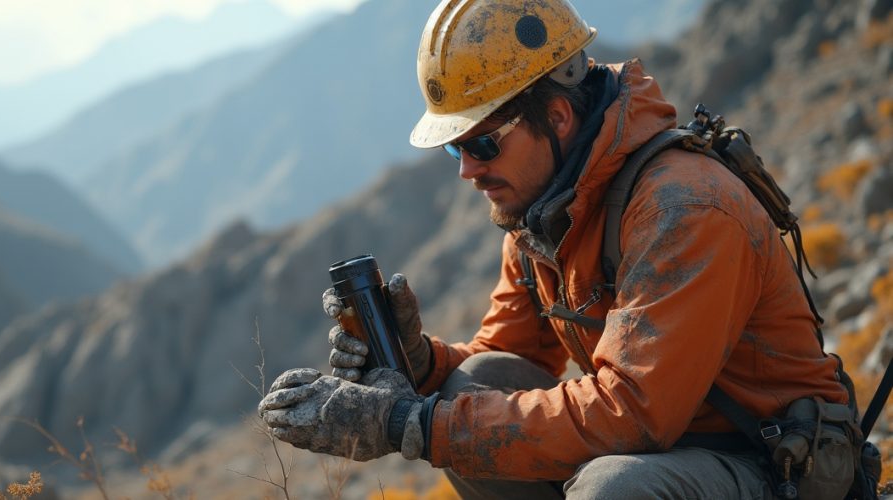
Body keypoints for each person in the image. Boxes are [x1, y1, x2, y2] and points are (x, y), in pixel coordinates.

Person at [258, 0, 861, 498]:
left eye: (484, 144)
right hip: (672, 451)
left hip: (774, 465)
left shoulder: (683, 208)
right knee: (472, 383)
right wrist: (419, 363)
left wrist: (404, 424)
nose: (467, 170)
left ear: (559, 116)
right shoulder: (544, 211)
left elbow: (634, 412)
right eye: (454, 149)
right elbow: (505, 359)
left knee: (614, 490)